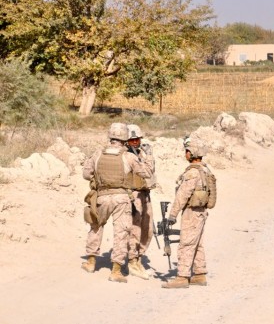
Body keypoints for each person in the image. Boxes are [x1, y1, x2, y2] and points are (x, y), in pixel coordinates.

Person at [81, 123, 153, 283]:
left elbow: (86, 174)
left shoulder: (98, 154)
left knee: (96, 226)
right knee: (121, 233)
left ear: (110, 136)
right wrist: (148, 157)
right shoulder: (128, 156)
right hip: (122, 198)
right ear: (125, 138)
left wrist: (100, 178)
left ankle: (91, 262)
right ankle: (116, 271)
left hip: (102, 196)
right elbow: (147, 173)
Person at [162, 138, 217, 289]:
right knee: (198, 243)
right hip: (201, 212)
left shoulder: (193, 173)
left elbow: (182, 195)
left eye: (187, 151)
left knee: (186, 243)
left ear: (191, 153)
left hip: (191, 213)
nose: (185, 154)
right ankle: (199, 274)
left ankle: (182, 276)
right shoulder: (205, 170)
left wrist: (172, 215)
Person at [126, 124, 156, 280]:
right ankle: (132, 261)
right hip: (133, 195)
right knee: (135, 230)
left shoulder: (140, 154)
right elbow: (146, 171)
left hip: (145, 194)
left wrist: (148, 155)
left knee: (148, 229)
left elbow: (151, 173)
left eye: (137, 139)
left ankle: (139, 258)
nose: (135, 142)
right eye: (132, 140)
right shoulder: (126, 156)